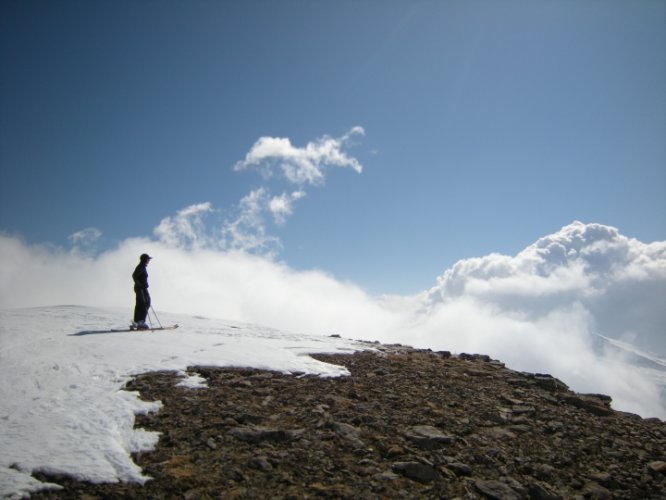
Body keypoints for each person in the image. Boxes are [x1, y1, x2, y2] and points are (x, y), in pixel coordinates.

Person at [132, 253, 152, 330]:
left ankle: (137, 321)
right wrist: (140, 285)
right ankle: (140, 322)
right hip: (141, 288)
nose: (149, 261)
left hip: (140, 288)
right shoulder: (141, 267)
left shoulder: (142, 266)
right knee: (146, 303)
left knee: (141, 303)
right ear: (145, 260)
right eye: (148, 259)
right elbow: (134, 276)